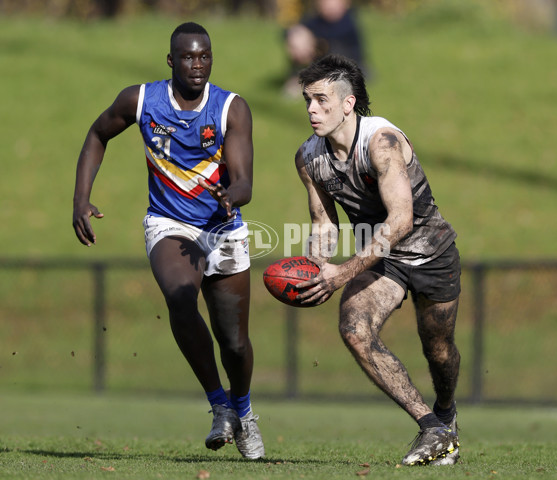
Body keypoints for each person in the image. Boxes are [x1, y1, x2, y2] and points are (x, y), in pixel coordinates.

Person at [72, 22, 265, 460]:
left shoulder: (231, 108)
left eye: (204, 56)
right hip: (169, 223)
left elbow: (245, 182)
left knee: (234, 341)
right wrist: (81, 198)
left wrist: (231, 195)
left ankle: (244, 412)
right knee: (180, 296)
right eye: (188, 57)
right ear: (171, 60)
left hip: (223, 228)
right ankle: (219, 404)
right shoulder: (140, 100)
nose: (197, 65)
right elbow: (98, 134)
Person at [293, 54, 462, 466]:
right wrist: (317, 270)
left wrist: (343, 272)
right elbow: (323, 225)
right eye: (307, 100)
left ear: (348, 104)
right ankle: (432, 428)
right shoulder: (308, 158)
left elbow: (401, 220)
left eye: (321, 100)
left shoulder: (380, 142)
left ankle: (445, 412)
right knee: (354, 328)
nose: (312, 110)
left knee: (438, 350)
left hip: (431, 253)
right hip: (384, 262)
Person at [283, 0, 365, 97]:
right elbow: (288, 31)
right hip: (321, 66)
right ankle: (299, 76)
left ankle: (306, 80)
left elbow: (333, 37)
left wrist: (311, 40)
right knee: (298, 39)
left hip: (348, 69)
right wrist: (296, 34)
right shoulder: (317, 21)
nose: (329, 6)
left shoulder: (348, 22)